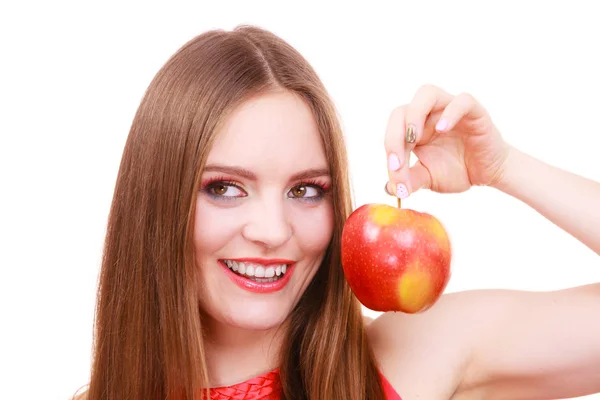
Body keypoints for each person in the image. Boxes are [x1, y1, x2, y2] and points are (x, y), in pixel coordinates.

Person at [73, 25, 600, 400]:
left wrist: (503, 167)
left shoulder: (409, 360)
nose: (272, 231)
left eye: (305, 191)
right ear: (159, 204)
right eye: (226, 188)